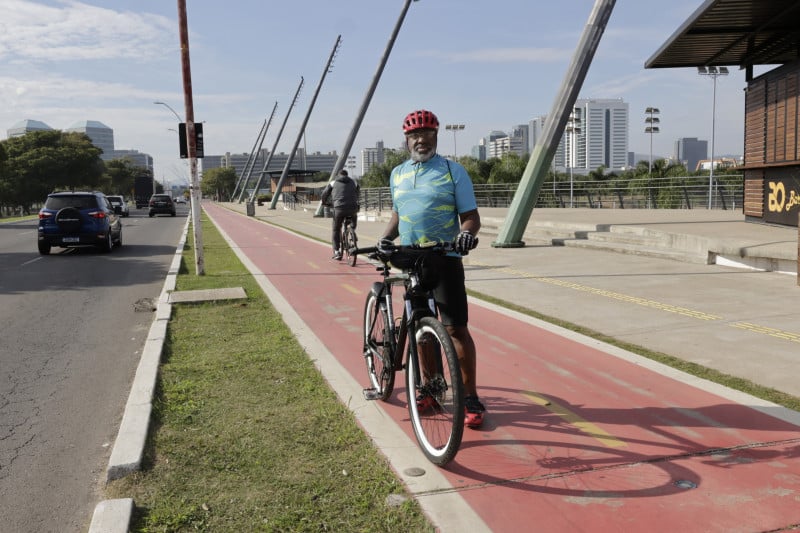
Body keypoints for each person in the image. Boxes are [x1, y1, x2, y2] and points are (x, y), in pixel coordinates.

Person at [377, 109, 485, 428]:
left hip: (444, 257)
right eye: (414, 135)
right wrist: (384, 239)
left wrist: (466, 234)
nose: (420, 139)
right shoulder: (397, 174)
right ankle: (433, 389)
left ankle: (470, 397)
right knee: (419, 328)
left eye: (426, 133)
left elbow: (471, 216)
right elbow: (399, 215)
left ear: (436, 136)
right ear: (406, 139)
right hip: (411, 258)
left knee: (455, 329)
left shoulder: (453, 171)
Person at [321, 169, 359, 260]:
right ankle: (352, 233)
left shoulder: (333, 183)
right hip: (353, 208)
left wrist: (324, 202)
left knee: (336, 229)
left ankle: (337, 252)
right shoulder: (354, 181)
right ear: (347, 175)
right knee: (353, 220)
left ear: (339, 175)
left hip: (339, 209)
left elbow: (324, 194)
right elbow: (357, 193)